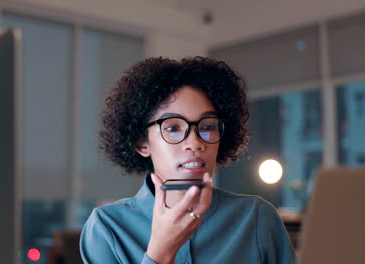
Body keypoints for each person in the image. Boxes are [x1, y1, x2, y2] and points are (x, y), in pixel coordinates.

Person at [80, 57, 296, 264]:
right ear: (142, 144)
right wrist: (160, 251)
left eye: (207, 127)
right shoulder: (107, 227)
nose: (195, 142)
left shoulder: (256, 218)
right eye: (173, 128)